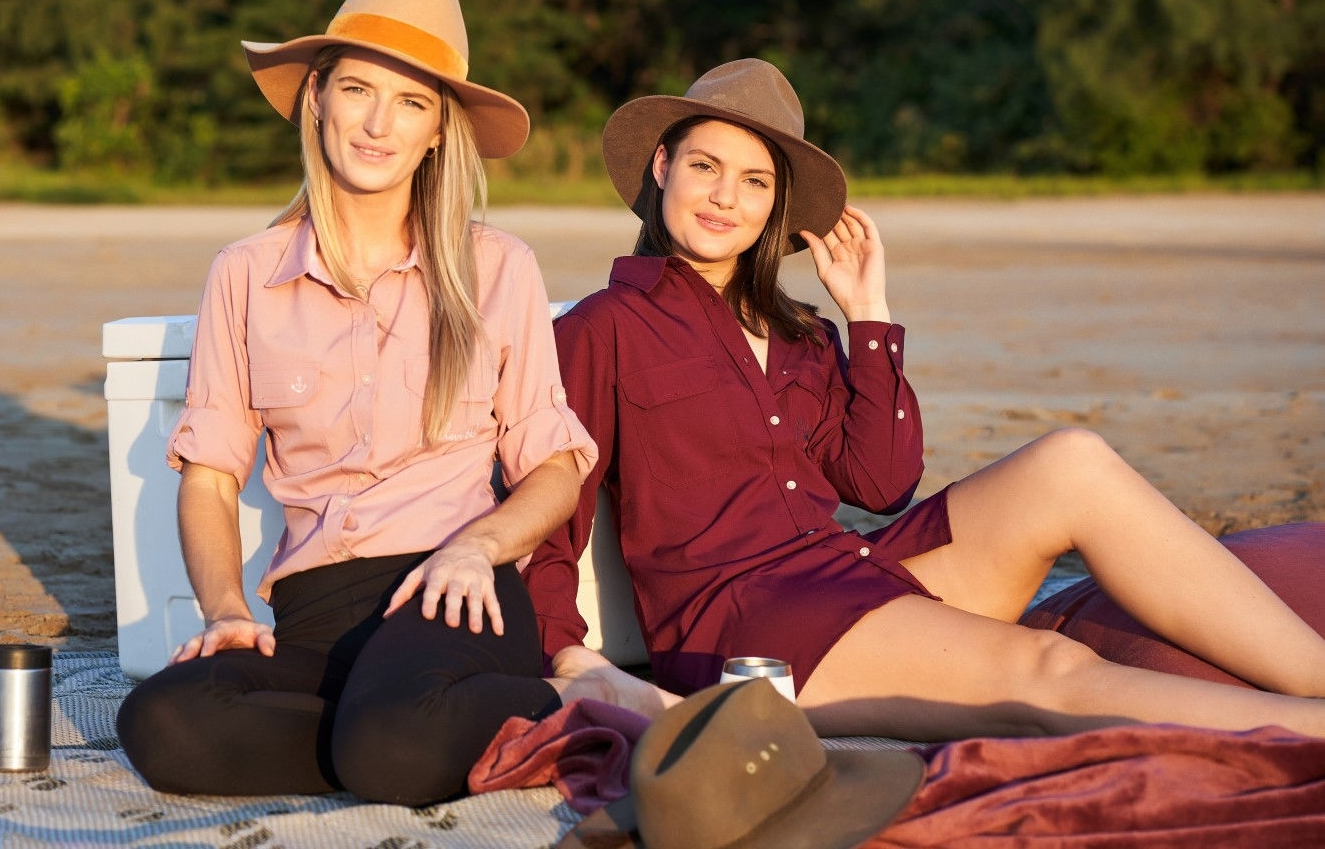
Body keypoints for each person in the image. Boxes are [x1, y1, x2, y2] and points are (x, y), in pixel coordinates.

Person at [523, 57, 1325, 742]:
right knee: (1045, 670)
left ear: (776, 205)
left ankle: (1315, 677)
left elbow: (879, 483)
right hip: (748, 624)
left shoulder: (801, 333)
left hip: (853, 569)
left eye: (754, 180)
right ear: (662, 168)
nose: (725, 197)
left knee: (1072, 462)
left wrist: (867, 317)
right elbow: (551, 510)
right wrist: (570, 655)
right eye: (705, 167)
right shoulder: (603, 328)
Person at [117, 0, 631, 805]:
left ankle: (558, 705)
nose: (378, 123)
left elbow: (555, 466)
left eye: (412, 102)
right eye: (358, 89)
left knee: (390, 746)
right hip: (316, 608)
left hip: (452, 591)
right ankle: (405, 732)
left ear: (439, 131)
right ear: (316, 96)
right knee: (162, 724)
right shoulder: (244, 274)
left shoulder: (497, 268)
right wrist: (222, 609)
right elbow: (210, 474)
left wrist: (480, 547)